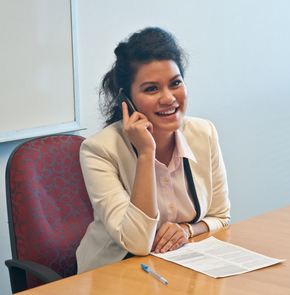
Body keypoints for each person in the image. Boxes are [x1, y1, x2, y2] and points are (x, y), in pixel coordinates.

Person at [76, 27, 230, 273]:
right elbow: (137, 243)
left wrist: (186, 230)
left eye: (175, 83)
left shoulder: (204, 133)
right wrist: (146, 154)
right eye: (151, 89)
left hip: (176, 267)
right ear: (127, 99)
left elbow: (220, 217)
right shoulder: (99, 151)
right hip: (113, 273)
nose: (169, 98)